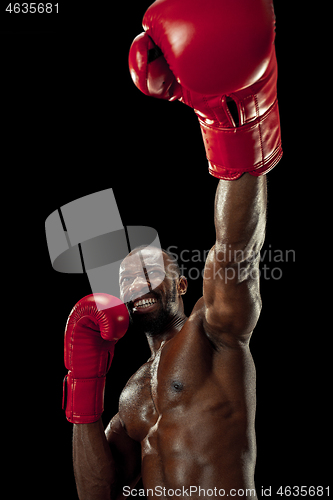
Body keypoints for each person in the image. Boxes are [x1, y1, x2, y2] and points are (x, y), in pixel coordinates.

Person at [63, 1, 282, 499]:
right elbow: (98, 493)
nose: (133, 281)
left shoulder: (215, 333)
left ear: (182, 281)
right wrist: (85, 392)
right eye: (124, 279)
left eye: (146, 268)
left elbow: (236, 250)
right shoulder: (131, 396)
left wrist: (236, 129)